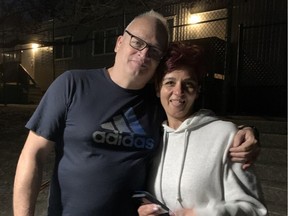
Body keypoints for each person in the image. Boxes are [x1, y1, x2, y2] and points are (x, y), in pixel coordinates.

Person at [13, 10, 259, 216]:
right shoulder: (72, 85)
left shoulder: (157, 102)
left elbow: (191, 121)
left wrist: (243, 131)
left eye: (154, 51)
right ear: (119, 42)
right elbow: (33, 155)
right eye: (137, 42)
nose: (143, 54)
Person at [137, 42, 267, 216]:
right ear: (157, 89)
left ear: (197, 91)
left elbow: (255, 209)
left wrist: (203, 214)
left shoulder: (226, 136)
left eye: (188, 84)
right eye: (170, 82)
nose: (178, 92)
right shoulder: (153, 137)